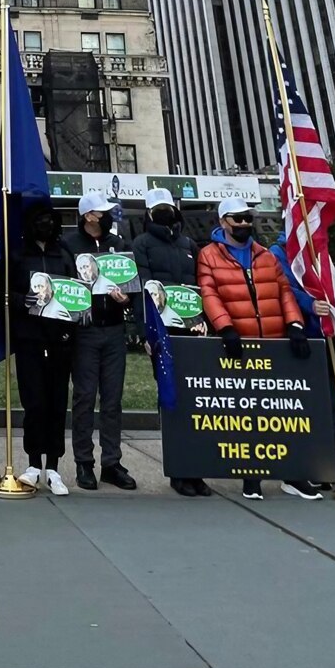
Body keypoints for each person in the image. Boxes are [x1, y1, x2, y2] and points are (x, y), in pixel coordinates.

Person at [197, 198, 321, 502]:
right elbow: (209, 292)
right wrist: (225, 327)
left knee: (283, 412)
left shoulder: (266, 256)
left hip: (274, 343)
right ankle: (251, 474)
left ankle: (292, 475)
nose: (243, 225)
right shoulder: (209, 255)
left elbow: (283, 292)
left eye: (247, 219)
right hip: (240, 342)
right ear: (223, 221)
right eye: (237, 219)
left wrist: (294, 325)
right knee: (246, 413)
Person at [133, 188, 211, 498]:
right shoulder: (141, 244)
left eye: (168, 207)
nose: (165, 212)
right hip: (162, 332)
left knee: (196, 399)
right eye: (158, 208)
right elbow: (142, 288)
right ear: (149, 213)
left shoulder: (189, 244)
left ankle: (197, 469)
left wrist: (203, 318)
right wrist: (145, 333)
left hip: (192, 331)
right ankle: (179, 470)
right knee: (171, 398)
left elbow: (199, 285)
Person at [65, 190, 138, 493]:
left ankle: (112, 462)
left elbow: (131, 283)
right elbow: (64, 287)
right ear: (88, 216)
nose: (107, 216)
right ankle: (84, 461)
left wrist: (126, 299)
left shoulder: (118, 245)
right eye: (102, 212)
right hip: (85, 331)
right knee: (84, 396)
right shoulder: (69, 246)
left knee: (112, 399)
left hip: (114, 329)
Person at [9, 197, 78, 493]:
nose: (45, 224)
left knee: (56, 402)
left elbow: (77, 294)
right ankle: (33, 463)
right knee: (34, 402)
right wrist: (21, 300)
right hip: (29, 338)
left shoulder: (64, 254)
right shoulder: (18, 254)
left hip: (60, 339)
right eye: (39, 218)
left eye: (50, 218)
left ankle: (54, 467)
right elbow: (7, 291)